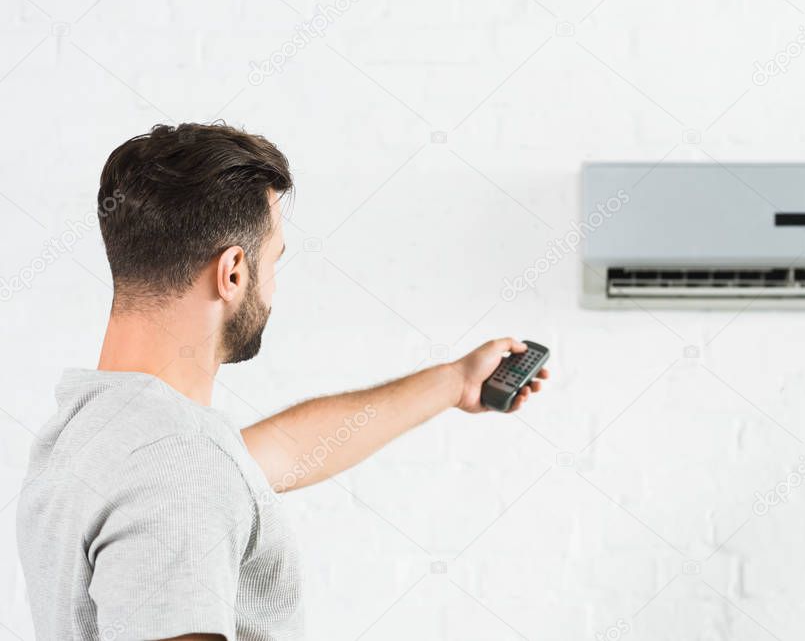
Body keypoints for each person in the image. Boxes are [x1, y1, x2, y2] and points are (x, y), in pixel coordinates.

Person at [16, 122, 549, 641]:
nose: (272, 288)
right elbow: (199, 473)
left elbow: (273, 457)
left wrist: (454, 382)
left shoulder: (91, 428)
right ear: (232, 272)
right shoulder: (179, 460)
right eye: (273, 260)